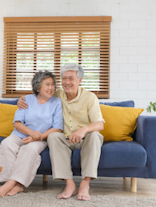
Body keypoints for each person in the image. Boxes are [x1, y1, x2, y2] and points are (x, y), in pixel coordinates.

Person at [18, 64, 105, 201]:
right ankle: (69, 184)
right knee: (53, 136)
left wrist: (83, 130)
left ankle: (85, 184)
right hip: (65, 139)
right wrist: (21, 100)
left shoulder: (90, 97)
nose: (67, 82)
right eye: (64, 78)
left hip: (84, 139)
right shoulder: (56, 94)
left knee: (95, 135)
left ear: (79, 80)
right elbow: (38, 96)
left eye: (71, 78)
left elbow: (100, 124)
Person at [0, 71, 63, 197]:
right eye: (47, 84)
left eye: (52, 84)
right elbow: (17, 123)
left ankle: (11, 184)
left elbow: (57, 128)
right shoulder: (26, 100)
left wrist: (37, 137)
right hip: (20, 134)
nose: (51, 87)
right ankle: (15, 185)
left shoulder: (56, 102)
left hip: (41, 138)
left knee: (29, 150)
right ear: (37, 86)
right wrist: (31, 133)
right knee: (6, 145)